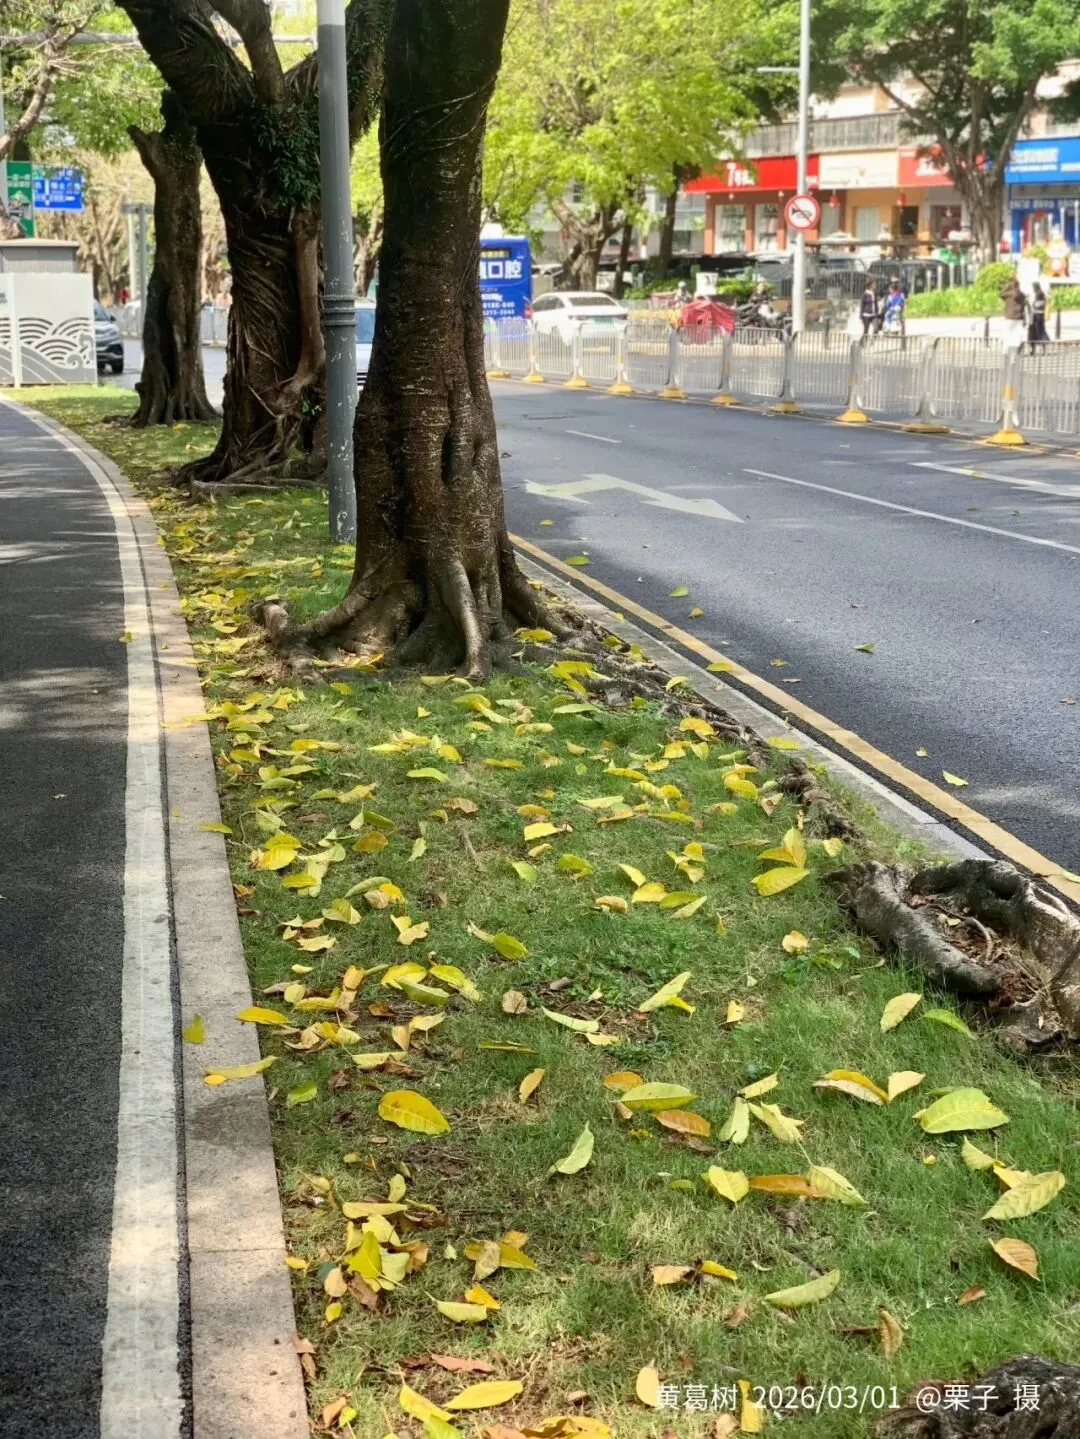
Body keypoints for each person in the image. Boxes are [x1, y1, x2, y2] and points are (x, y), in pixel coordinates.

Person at [999, 274, 1027, 349]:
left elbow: (1001, 294)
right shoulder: (1021, 294)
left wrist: (1007, 285)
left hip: (1010, 316)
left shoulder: (1009, 294)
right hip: (1019, 316)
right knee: (1017, 333)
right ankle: (1017, 347)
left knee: (1007, 332)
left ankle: (1006, 348)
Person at [1029, 282, 1050, 346]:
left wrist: (1033, 304)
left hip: (1037, 313)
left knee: (1038, 328)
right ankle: (1044, 339)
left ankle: (1043, 339)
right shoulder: (1042, 293)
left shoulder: (1038, 294)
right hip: (1042, 313)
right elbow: (1044, 302)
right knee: (1042, 327)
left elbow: (1037, 304)